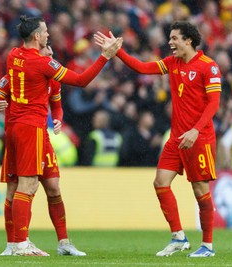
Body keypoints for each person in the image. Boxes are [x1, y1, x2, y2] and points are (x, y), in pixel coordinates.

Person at [95, 21, 221, 257]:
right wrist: (117, 51)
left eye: (175, 38)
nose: (170, 42)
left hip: (199, 138)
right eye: (170, 38)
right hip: (176, 138)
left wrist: (195, 130)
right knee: (160, 182)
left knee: (200, 190)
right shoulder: (172, 64)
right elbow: (142, 68)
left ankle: (207, 246)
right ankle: (178, 237)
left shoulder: (208, 67)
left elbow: (214, 103)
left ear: (188, 41)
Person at [3, 15, 122, 256]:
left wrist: (57, 114)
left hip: (24, 128)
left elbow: (47, 94)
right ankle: (20, 244)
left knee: (53, 187)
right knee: (27, 185)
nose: (48, 35)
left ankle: (62, 243)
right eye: (45, 32)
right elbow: (81, 80)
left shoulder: (13, 55)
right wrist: (105, 56)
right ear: (37, 37)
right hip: (31, 128)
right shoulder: (43, 63)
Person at [0, 44, 86, 256]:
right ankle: (14, 244)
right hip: (23, 134)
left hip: (42, 136)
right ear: (37, 56)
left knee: (53, 187)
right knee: (17, 189)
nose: (51, 57)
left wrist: (58, 119)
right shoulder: (12, 77)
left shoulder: (53, 79)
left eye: (52, 53)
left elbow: (57, 106)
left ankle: (64, 242)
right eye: (48, 53)